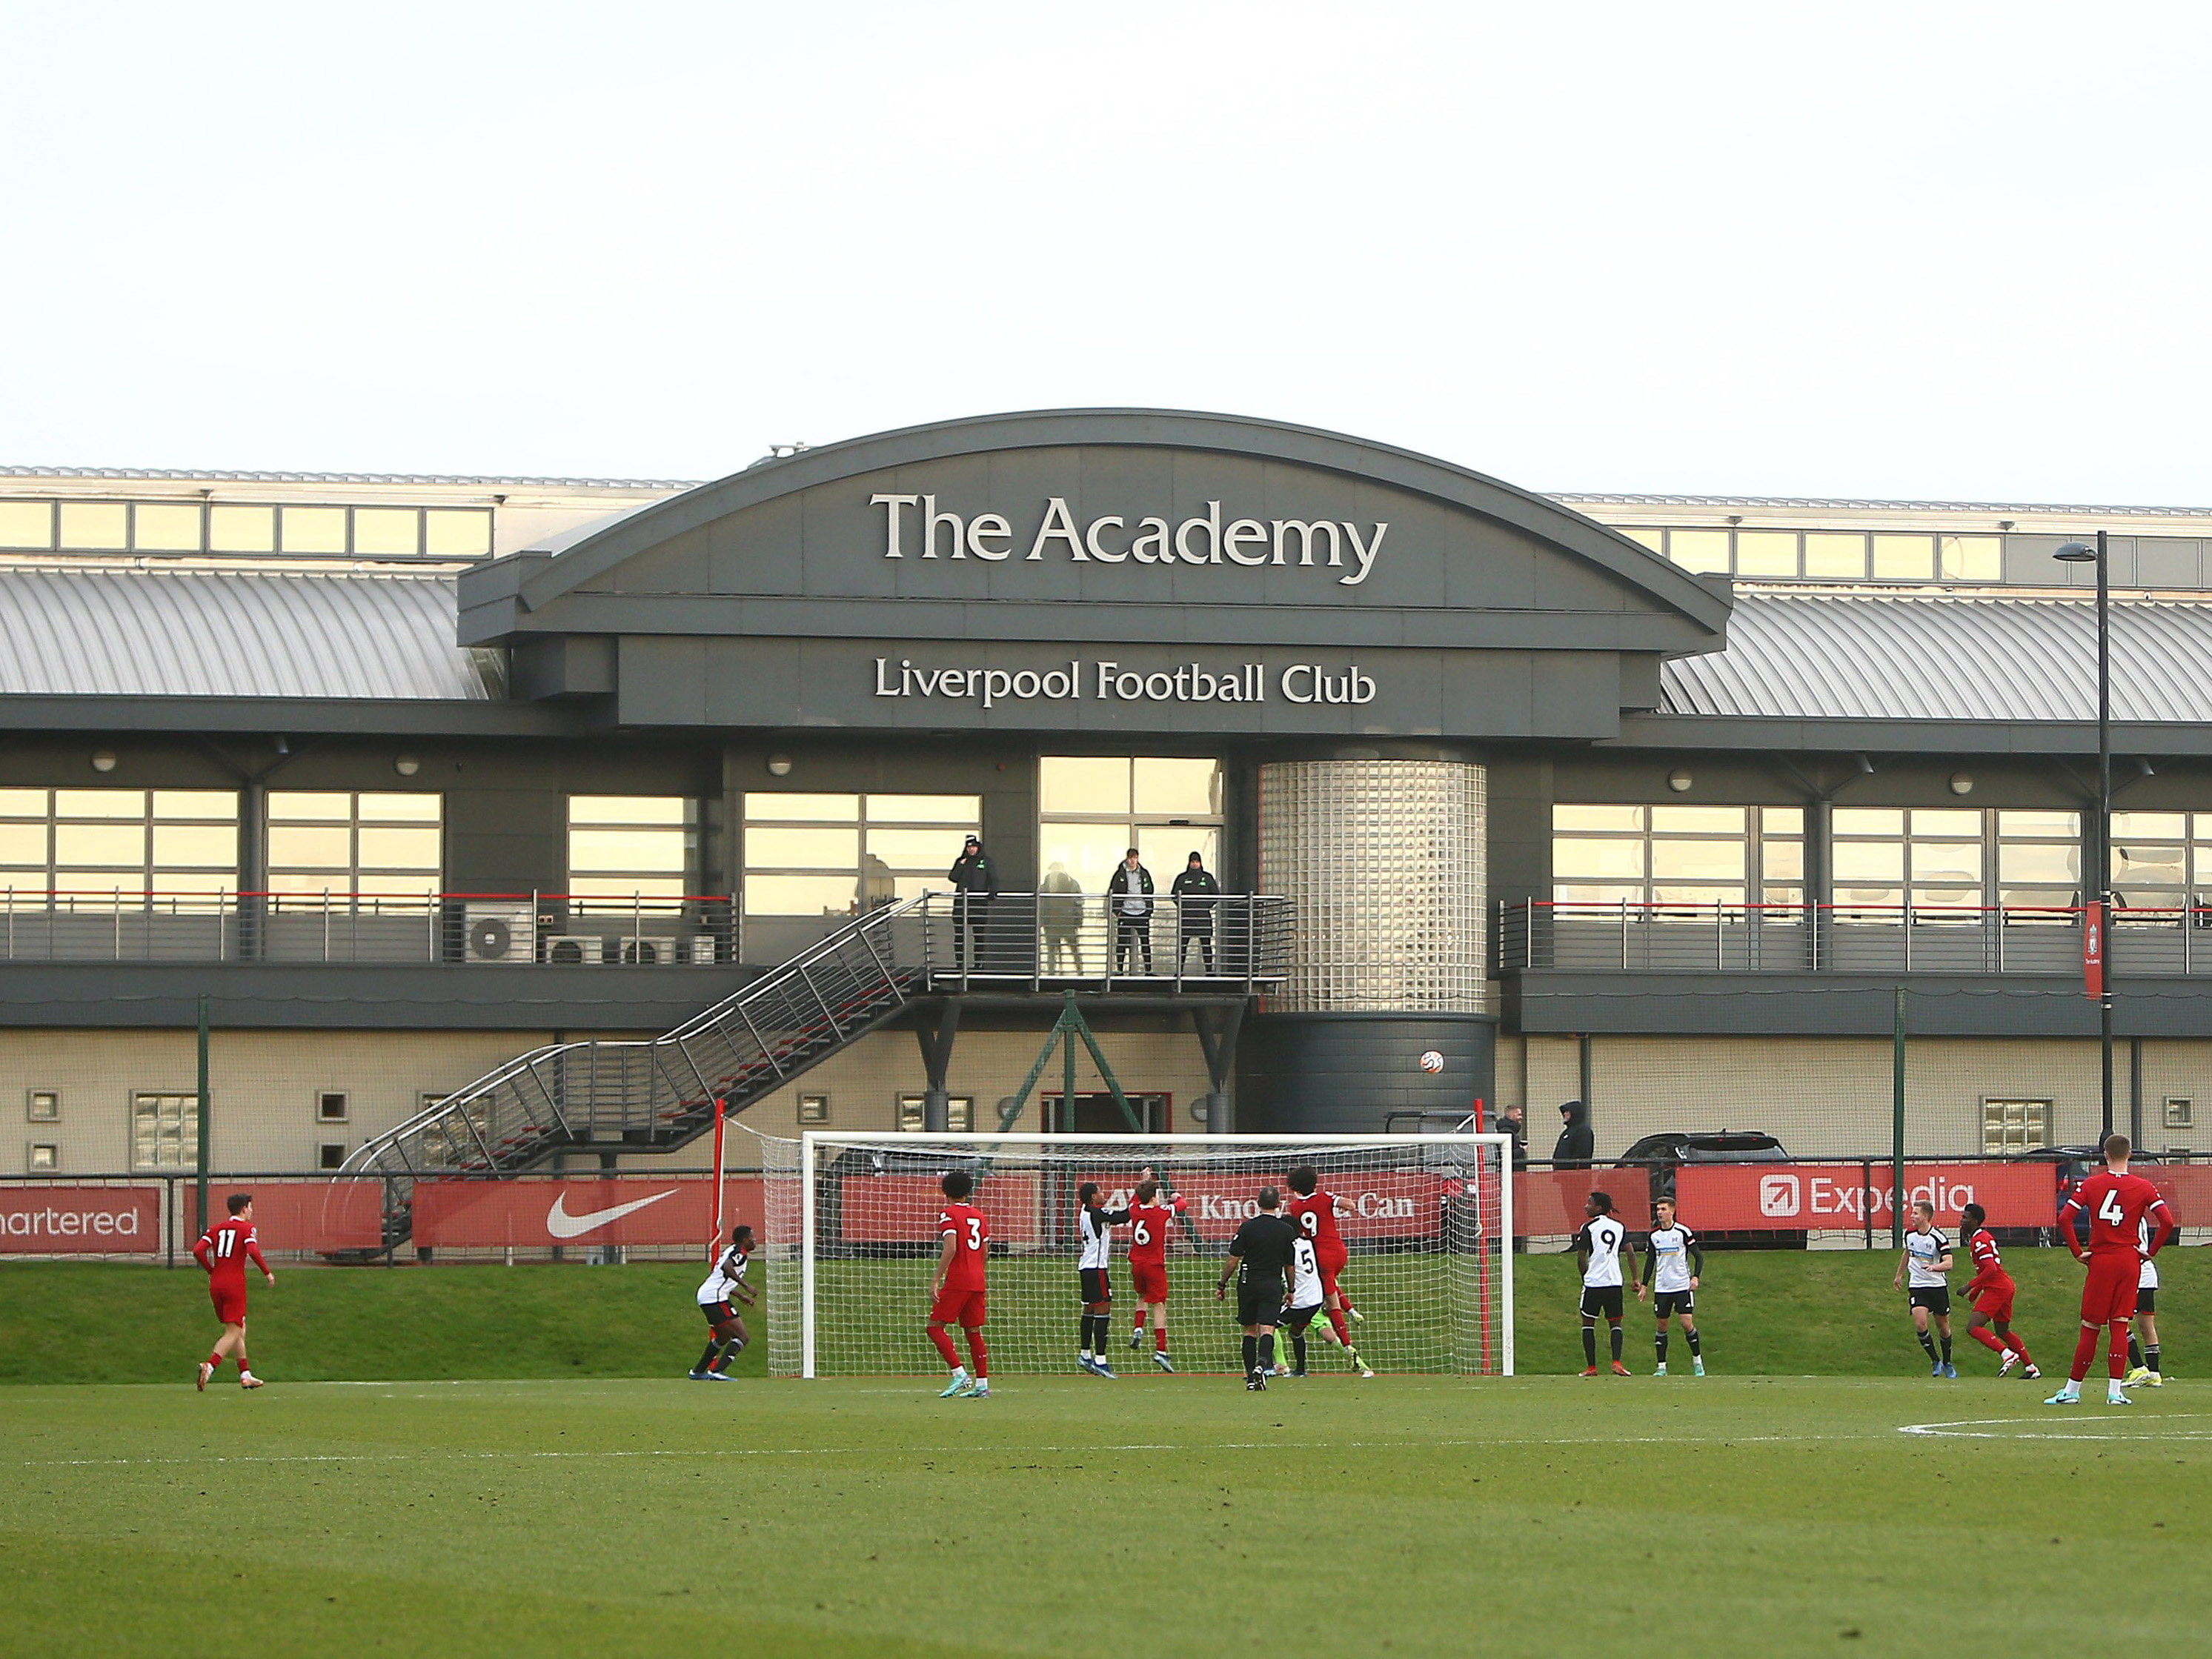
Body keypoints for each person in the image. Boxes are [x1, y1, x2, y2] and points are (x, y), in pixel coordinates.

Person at [2047, 1133, 2174, 1407]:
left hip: (2102, 1260)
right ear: (2129, 1155)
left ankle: (2072, 1390)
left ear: (2105, 1155)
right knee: (2120, 1324)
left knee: (2091, 1325)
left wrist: (2077, 1253)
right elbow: (2167, 1222)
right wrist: (2150, 1253)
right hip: (2130, 1262)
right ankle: (2115, 1392)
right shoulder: (2143, 1186)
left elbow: (2065, 1218)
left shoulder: (2092, 1184)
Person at [1284, 1165, 1373, 1372]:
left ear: (1294, 1188)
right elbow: (1350, 1205)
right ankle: (1351, 1311)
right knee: (1330, 1286)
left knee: (1331, 1301)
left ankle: (1348, 1346)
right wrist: (1342, 1207)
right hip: (1338, 1250)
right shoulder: (1325, 1197)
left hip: (1320, 1255)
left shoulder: (1295, 1208)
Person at [1216, 1185, 1299, 1390]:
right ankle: (1262, 1365)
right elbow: (1290, 1265)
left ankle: (1251, 1377)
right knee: (1268, 1329)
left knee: (1249, 1331)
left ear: (1258, 1204)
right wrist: (1291, 1290)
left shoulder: (1248, 1227)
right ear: (1279, 1205)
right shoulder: (1286, 1230)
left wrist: (1222, 1284)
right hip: (1271, 1284)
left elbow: (1232, 1261)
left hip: (1248, 1283)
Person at [193, 1192, 274, 1391]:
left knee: (239, 1326)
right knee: (234, 1330)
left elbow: (197, 1250)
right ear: (244, 1209)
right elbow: (253, 1251)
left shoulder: (215, 1229)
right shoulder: (247, 1229)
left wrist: (211, 1270)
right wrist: (267, 1272)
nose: (252, 1211)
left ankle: (245, 1374)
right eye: (250, 1207)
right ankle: (210, 1366)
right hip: (234, 1285)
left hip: (216, 1284)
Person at [928, 1168, 992, 1400]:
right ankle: (982, 1384)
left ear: (946, 1192)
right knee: (973, 1331)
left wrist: (936, 1279)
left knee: (934, 1327)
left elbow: (951, 1247)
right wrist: (977, 1272)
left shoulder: (948, 1214)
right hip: (977, 1279)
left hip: (959, 1279)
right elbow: (985, 1251)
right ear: (968, 1191)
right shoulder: (979, 1215)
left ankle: (959, 1373)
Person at [1958, 1203, 2036, 1380]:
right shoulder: (1982, 1236)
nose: (1961, 1221)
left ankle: (2007, 1354)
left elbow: (1991, 1269)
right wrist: (1977, 1290)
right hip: (2003, 1285)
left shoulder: (1979, 1239)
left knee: (1973, 1327)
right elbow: (1989, 1269)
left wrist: (1969, 1286)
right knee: (2003, 1331)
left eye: (1965, 1218)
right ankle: (2031, 1368)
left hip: (1998, 1288)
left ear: (1975, 1221)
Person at [1574, 1190, 1640, 1376]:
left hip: (1594, 1283)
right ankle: (1617, 1363)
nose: (1586, 1206)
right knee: (1616, 1323)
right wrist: (1636, 1278)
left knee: (1588, 1322)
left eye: (1589, 1203)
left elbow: (1581, 1256)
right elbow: (1631, 1253)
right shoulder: (1619, 1226)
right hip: (1614, 1282)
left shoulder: (1588, 1228)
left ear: (1599, 1207)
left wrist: (1585, 1275)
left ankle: (1591, 1367)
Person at [1125, 1170, 1184, 1372]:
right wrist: (1176, 1196)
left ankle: (1138, 1328)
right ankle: (1161, 1350)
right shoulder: (1161, 1212)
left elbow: (1135, 1198)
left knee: (1141, 1296)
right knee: (1159, 1305)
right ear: (1153, 1198)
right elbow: (1182, 1205)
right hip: (1154, 1265)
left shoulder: (1134, 1209)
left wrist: (1144, 1181)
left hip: (1137, 1263)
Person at [1641, 1197, 1704, 1377]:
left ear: (1672, 1211)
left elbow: (1699, 1257)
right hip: (1662, 1287)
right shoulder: (1654, 1236)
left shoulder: (1683, 1232)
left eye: (1663, 1209)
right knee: (1662, 1325)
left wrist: (1695, 1277)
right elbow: (1650, 1261)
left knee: (1686, 1323)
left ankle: (1697, 1362)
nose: (1659, 1213)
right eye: (1658, 1210)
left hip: (1682, 1286)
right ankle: (1661, 1367)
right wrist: (1645, 1285)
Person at [1076, 1180, 1133, 1377]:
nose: (1104, 1194)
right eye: (1100, 1192)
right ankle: (1100, 1359)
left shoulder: (1085, 1212)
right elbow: (1124, 1215)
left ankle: (1084, 1354)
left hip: (1085, 1266)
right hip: (1097, 1268)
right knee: (1103, 1309)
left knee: (1089, 1308)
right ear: (1093, 1197)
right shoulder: (1097, 1213)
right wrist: (1139, 1195)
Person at [1893, 1200, 1955, 1377]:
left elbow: (1949, 1263)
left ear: (1925, 1217)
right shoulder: (1910, 1234)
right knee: (1920, 1323)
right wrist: (1899, 1275)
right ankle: (1935, 1361)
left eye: (1915, 1213)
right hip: (1918, 1286)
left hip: (1937, 1287)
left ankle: (1948, 1362)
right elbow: (1907, 1253)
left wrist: (1934, 1268)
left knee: (1943, 1326)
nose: (1912, 1216)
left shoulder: (1938, 1238)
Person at [691, 1223, 757, 1380]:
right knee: (742, 1337)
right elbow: (727, 1268)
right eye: (752, 1238)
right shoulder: (739, 1253)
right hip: (715, 1298)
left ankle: (698, 1371)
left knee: (722, 1338)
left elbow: (721, 1278)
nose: (755, 1241)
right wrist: (746, 1286)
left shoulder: (730, 1251)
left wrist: (740, 1296)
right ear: (744, 1240)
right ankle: (717, 1371)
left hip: (709, 1295)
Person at [1278, 1232, 1327, 1377]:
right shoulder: (1308, 1244)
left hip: (1298, 1302)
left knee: (1265, 1325)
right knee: (1295, 1332)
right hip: (1315, 1301)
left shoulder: (1287, 1247)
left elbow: (1289, 1267)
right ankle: (1300, 1370)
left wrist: (1290, 1290)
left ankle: (1269, 1367)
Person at [946, 834, 998, 973]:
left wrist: (993, 892)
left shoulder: (986, 862)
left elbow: (992, 878)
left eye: (974, 847)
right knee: (959, 935)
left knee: (979, 935)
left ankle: (978, 964)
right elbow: (953, 877)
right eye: (969, 847)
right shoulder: (961, 861)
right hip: (961, 904)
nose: (971, 850)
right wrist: (960, 866)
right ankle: (960, 964)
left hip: (979, 904)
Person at [2128, 1216, 2167, 1388]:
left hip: (2137, 1274)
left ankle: (2140, 1368)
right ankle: (2153, 1373)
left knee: (2119, 1321)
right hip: (2146, 1275)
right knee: (2145, 1324)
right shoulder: (2138, 1217)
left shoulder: (2128, 1216)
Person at [1169, 851, 1220, 974]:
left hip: (1203, 917)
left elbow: (1216, 895)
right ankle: (1180, 971)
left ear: (1200, 863)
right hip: (1186, 917)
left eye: (1197, 862)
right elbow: (1174, 895)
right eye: (1193, 862)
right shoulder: (1182, 878)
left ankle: (1209, 971)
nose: (1195, 864)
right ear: (1189, 863)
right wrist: (1184, 906)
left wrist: (1205, 906)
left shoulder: (1207, 878)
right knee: (1182, 945)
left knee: (1206, 945)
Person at [1107, 847, 1155, 973]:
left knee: (1145, 942)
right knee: (1122, 942)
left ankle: (1148, 971)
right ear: (1127, 859)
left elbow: (1150, 891)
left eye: (1135, 858)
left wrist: (1149, 911)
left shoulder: (1144, 874)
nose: (1133, 861)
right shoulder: (1120, 874)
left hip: (1141, 912)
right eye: (1131, 858)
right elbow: (1112, 891)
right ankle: (1120, 970)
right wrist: (1117, 912)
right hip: (1126, 912)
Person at [1039, 860, 1085, 974]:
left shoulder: (1046, 885)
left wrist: (1042, 921)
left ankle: (1051, 974)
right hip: (1067, 922)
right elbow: (1079, 903)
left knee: (1052, 952)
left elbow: (1042, 903)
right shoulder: (1072, 883)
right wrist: (1078, 921)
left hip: (1052, 922)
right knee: (1074, 949)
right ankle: (1080, 972)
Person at [1552, 1100, 1593, 1169]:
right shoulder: (1566, 1132)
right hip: (1560, 1174)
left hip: (1576, 1175)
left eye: (1567, 1112)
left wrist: (1569, 1168)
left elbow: (1582, 1154)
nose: (1564, 1114)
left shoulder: (1584, 1131)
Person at [1496, 1102, 1529, 1173]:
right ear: (1511, 1115)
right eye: (1519, 1115)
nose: (1521, 1118)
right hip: (1510, 1172)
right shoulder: (1506, 1132)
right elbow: (1506, 1154)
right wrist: (1522, 1150)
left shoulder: (1508, 1131)